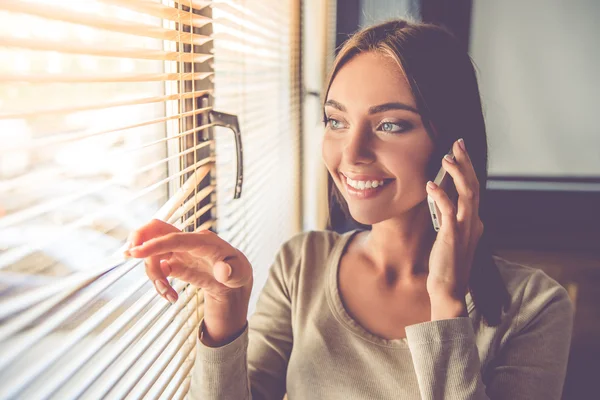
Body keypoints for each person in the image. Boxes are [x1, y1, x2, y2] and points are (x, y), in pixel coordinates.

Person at [125, 19, 574, 400]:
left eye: (390, 125)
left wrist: (446, 303)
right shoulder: (301, 265)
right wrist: (225, 311)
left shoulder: (535, 308)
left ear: (453, 144)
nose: (351, 152)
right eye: (336, 121)